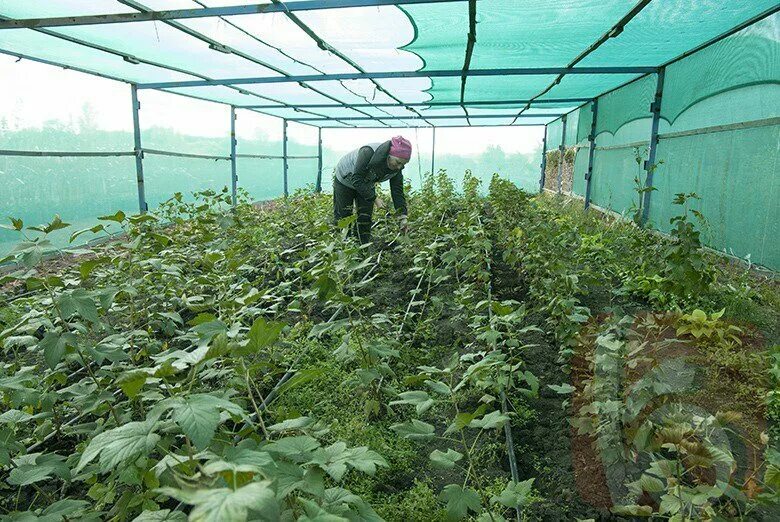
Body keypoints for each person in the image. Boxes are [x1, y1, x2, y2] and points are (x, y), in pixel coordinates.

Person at [333, 136, 411, 243]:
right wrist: (375, 198)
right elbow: (357, 179)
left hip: (366, 182)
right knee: (344, 215)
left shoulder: (397, 169)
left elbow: (397, 192)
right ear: (389, 156)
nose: (399, 167)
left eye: (403, 164)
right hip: (345, 179)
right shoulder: (368, 152)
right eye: (398, 162)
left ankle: (361, 250)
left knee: (365, 217)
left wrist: (403, 217)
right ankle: (340, 247)